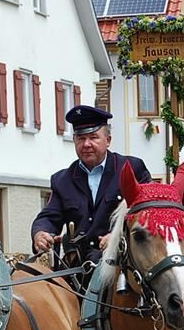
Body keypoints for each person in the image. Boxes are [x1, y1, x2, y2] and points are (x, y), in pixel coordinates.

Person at [31, 105, 152, 257]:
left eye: (93, 137)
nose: (87, 144)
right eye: (81, 138)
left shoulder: (132, 169)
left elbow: (148, 214)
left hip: (121, 263)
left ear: (108, 140)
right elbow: (49, 217)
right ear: (74, 141)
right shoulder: (62, 180)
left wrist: (118, 237)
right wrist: (40, 234)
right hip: (77, 267)